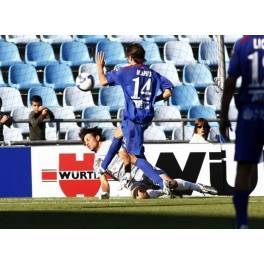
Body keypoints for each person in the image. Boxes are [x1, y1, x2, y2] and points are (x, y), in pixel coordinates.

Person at [96, 43, 173, 190]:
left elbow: (103, 81)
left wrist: (99, 67)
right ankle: (103, 167)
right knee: (118, 133)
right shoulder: (153, 74)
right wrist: (151, 100)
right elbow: (168, 92)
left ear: (130, 57)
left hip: (134, 118)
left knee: (133, 157)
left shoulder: (125, 71)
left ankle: (161, 182)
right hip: (144, 116)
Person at [79, 127, 217, 199]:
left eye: (88, 139)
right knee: (140, 196)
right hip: (133, 182)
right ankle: (162, 191)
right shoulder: (96, 163)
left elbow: (127, 157)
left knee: (172, 184)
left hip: (142, 170)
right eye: (85, 142)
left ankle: (199, 187)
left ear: (97, 137)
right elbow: (104, 182)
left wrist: (127, 173)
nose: (87, 143)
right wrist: (105, 194)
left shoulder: (111, 144)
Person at [220, 35, 264, 228]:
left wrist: (223, 114)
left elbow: (230, 82)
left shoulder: (243, 44)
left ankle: (242, 224)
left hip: (249, 113)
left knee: (243, 168)